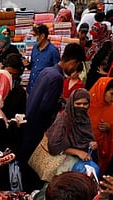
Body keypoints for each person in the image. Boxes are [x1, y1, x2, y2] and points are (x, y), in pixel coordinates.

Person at [19, 43, 86, 191]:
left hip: (29, 122)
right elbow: (46, 107)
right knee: (34, 167)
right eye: (76, 66)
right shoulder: (57, 78)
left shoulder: (48, 71)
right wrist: (61, 105)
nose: (75, 70)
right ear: (72, 62)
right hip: (38, 128)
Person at [47, 88, 97, 163]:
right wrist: (77, 152)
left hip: (81, 160)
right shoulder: (64, 118)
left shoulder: (85, 118)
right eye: (78, 104)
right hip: (62, 162)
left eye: (85, 104)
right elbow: (54, 146)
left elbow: (85, 138)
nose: (82, 107)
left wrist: (91, 144)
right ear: (71, 103)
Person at [89, 77, 113, 174]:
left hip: (102, 151)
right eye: (112, 93)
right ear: (102, 91)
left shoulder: (111, 108)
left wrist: (109, 128)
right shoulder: (87, 105)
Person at [25, 24, 60, 94]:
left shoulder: (53, 51)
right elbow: (33, 66)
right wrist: (27, 64)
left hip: (44, 90)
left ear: (42, 36)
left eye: (35, 36)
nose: (33, 38)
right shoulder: (35, 48)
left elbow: (57, 72)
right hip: (31, 88)